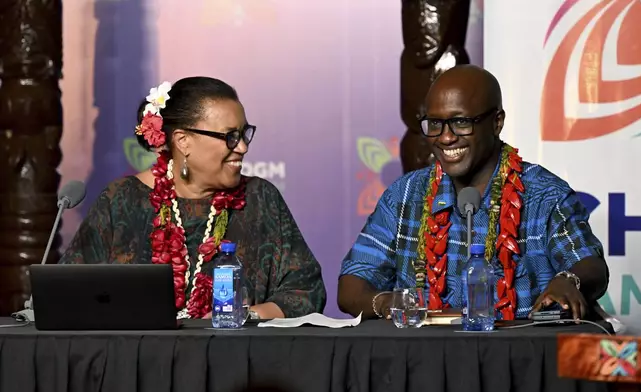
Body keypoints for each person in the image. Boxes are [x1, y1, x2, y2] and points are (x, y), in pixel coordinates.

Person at [338, 65, 609, 321]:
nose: (445, 137)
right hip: (422, 361)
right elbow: (351, 286)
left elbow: (589, 264)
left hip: (516, 360)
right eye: (434, 123)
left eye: (461, 122)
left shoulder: (545, 195)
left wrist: (568, 281)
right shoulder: (405, 195)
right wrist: (386, 302)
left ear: (496, 122)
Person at [60, 77, 326, 320]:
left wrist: (246, 315)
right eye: (230, 136)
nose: (243, 147)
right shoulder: (120, 200)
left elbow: (306, 291)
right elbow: (67, 291)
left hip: (234, 361)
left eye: (244, 134)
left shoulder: (260, 198)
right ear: (183, 141)